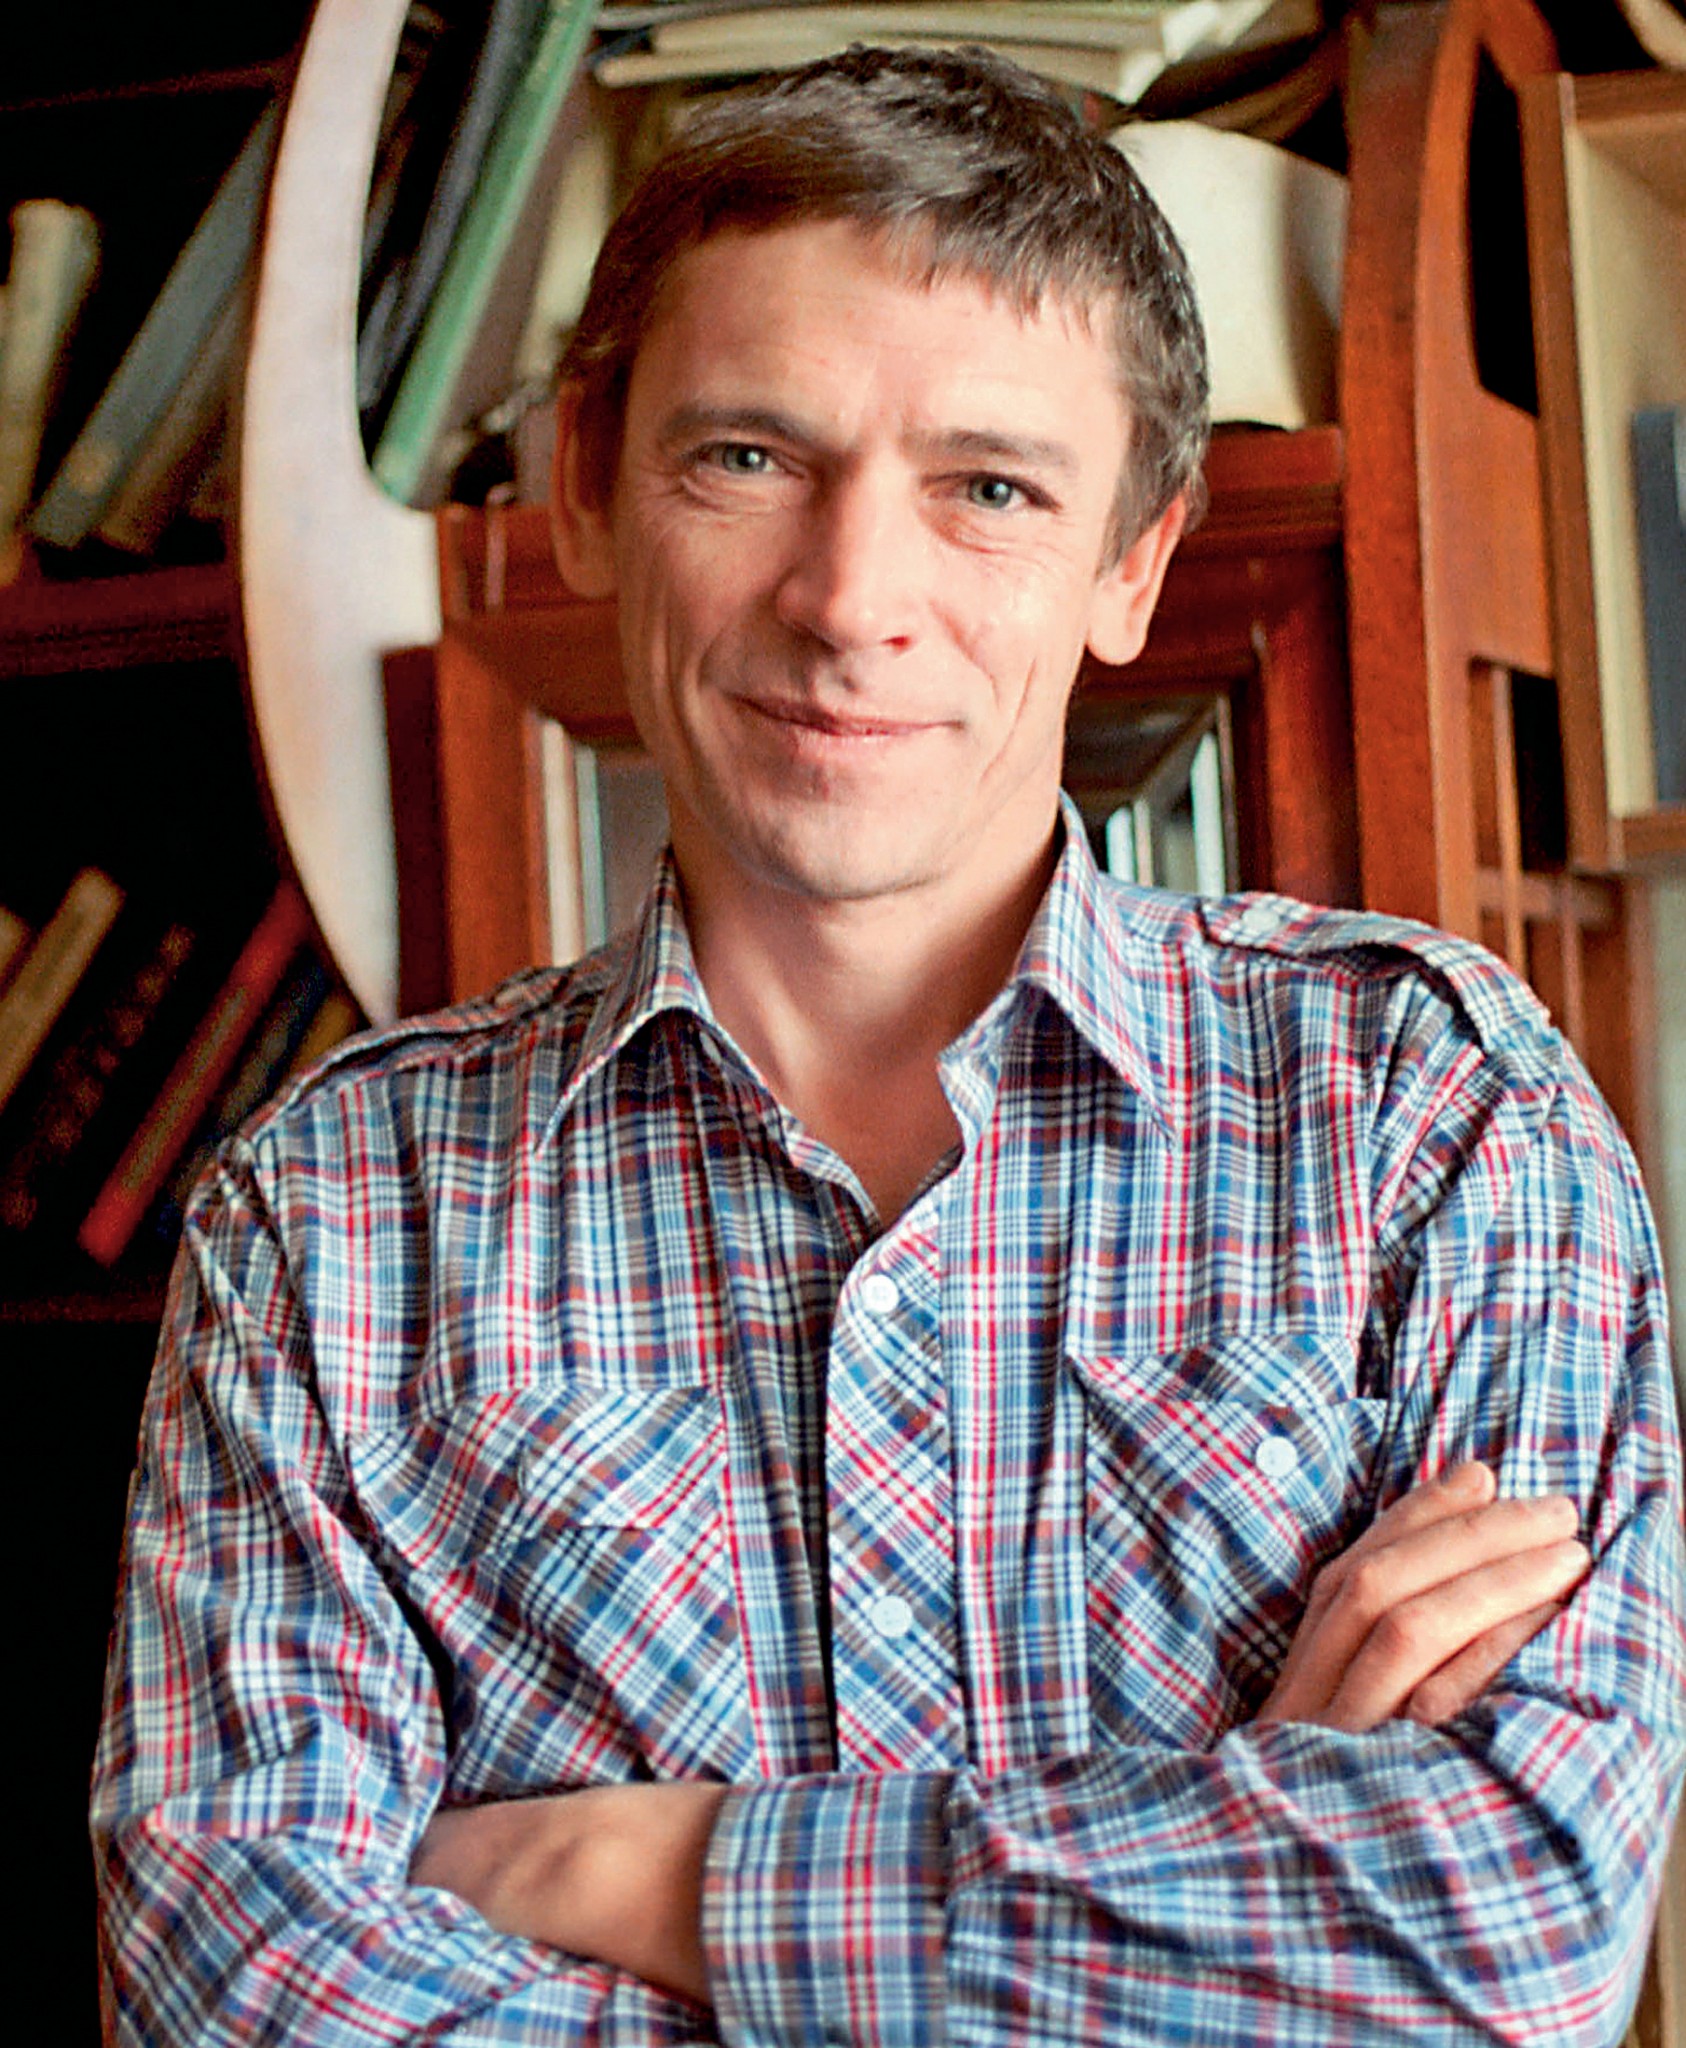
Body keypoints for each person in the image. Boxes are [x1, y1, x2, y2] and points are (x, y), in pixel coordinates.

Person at [92, 43, 1683, 2047]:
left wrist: (647, 1874)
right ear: (586, 485)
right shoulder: (331, 1216)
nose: (853, 599)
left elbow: (1509, 1945)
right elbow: (236, 1995)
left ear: (1132, 562)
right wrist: (1223, 1868)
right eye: (749, 457)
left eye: (989, 490)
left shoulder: (1429, 1111)